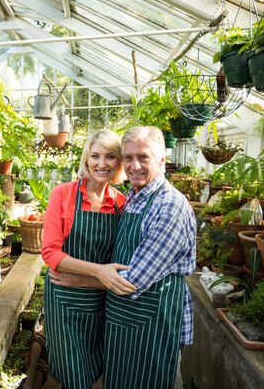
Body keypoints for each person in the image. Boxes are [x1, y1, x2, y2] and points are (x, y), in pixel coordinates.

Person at [50, 126, 196, 389]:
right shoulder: (134, 197)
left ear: (162, 158)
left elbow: (135, 280)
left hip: (151, 317)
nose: (135, 165)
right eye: (129, 158)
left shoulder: (168, 206)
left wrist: (80, 280)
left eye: (143, 157)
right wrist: (94, 274)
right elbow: (51, 251)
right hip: (119, 314)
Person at [42, 129, 133, 389]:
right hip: (63, 300)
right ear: (86, 160)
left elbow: (120, 257)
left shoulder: (121, 203)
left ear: (119, 163)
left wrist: (93, 278)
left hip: (99, 299)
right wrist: (99, 271)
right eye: (95, 156)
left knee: (94, 367)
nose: (101, 164)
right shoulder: (64, 194)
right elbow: (51, 253)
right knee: (74, 373)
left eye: (110, 157)